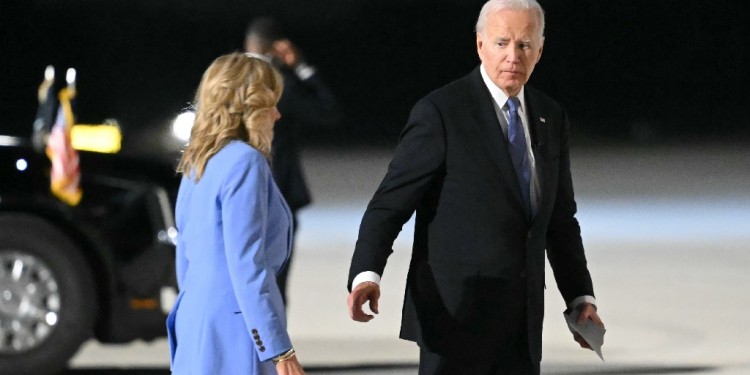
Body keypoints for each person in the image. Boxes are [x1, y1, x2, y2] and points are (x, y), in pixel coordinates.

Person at [346, 1, 605, 374]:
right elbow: (389, 205)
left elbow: (560, 220)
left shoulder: (550, 116)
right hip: (454, 324)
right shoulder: (442, 112)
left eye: (524, 45)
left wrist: (580, 296)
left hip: (522, 327)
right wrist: (366, 274)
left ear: (540, 50)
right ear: (480, 44)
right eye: (502, 43)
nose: (513, 56)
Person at [168, 53, 306, 375]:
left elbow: (184, 259)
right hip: (235, 329)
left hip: (194, 321)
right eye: (269, 103)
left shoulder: (197, 162)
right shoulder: (245, 162)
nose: (277, 114)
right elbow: (248, 265)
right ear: (250, 108)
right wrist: (279, 349)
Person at [245, 18, 342, 305]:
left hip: (234, 193)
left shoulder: (226, 82)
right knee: (275, 281)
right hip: (278, 191)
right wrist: (301, 66)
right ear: (277, 47)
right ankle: (273, 348)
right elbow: (329, 112)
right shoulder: (277, 84)